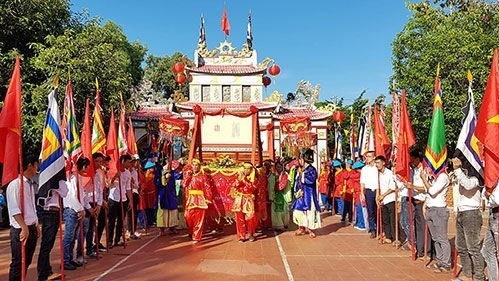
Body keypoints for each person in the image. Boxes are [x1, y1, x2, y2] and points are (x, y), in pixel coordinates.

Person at [450, 157, 485, 281]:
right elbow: (457, 191)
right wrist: (456, 209)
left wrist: (458, 170)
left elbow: (468, 185)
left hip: (472, 213)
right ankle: (467, 274)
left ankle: (479, 276)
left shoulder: (477, 177)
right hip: (462, 212)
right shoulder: (461, 175)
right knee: (461, 246)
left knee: (473, 247)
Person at [7, 155, 40, 281]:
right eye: (36, 164)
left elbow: (32, 206)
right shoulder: (15, 185)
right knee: (18, 262)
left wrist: (36, 224)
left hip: (30, 227)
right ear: (29, 165)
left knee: (26, 261)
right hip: (20, 229)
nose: (37, 167)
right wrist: (24, 227)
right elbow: (14, 208)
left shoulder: (29, 185)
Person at [63, 157, 93, 270]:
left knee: (74, 237)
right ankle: (65, 260)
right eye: (87, 166)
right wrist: (81, 209)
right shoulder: (72, 178)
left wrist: (87, 207)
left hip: (77, 210)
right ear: (83, 166)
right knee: (69, 237)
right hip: (71, 210)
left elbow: (83, 195)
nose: (88, 168)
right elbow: (72, 196)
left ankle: (70, 258)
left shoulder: (79, 178)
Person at [421, 166, 451, 273]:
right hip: (431, 208)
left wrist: (423, 178)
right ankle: (439, 260)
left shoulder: (443, 176)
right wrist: (425, 204)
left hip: (439, 210)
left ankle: (446, 263)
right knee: (435, 238)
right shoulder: (434, 178)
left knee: (442, 238)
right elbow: (427, 192)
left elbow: (432, 191)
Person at [37, 177, 68, 281]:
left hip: (52, 212)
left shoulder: (49, 178)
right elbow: (64, 192)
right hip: (50, 212)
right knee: (46, 244)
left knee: (48, 244)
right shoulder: (53, 178)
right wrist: (60, 183)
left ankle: (47, 270)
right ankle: (43, 274)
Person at [405, 149, 431, 259]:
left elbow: (427, 188)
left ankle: (426, 251)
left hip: (423, 202)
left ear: (417, 159)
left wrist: (413, 187)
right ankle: (419, 249)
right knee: (416, 227)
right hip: (414, 201)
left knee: (424, 228)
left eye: (412, 159)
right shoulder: (413, 170)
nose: (410, 161)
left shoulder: (424, 170)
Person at [291, 149, 321, 238]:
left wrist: (302, 174)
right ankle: (301, 227)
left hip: (309, 194)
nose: (299, 161)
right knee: (298, 211)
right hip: (301, 195)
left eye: (300, 159)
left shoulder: (311, 169)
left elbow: (311, 181)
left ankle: (310, 229)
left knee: (310, 212)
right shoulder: (300, 169)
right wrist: (297, 191)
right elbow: (297, 182)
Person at [182, 159, 213, 244]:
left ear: (199, 167)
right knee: (188, 217)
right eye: (193, 165)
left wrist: (208, 199)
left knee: (199, 219)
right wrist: (188, 176)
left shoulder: (203, 176)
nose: (195, 167)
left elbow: (207, 188)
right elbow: (184, 185)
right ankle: (191, 231)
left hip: (200, 199)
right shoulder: (189, 176)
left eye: (196, 165)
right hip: (190, 199)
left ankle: (196, 236)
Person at [107, 154, 133, 248]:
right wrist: (114, 177)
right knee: (112, 221)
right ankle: (109, 240)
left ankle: (117, 240)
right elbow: (108, 186)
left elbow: (128, 188)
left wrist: (130, 201)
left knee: (121, 221)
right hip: (113, 199)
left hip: (123, 199)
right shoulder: (113, 171)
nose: (130, 164)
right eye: (128, 162)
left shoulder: (127, 173)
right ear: (123, 161)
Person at [232, 162, 258, 242]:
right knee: (240, 218)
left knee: (250, 218)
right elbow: (234, 186)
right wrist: (240, 179)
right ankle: (241, 236)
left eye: (248, 169)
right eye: (245, 168)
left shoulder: (254, 179)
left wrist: (244, 180)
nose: (246, 170)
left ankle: (251, 234)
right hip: (239, 199)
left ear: (251, 170)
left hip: (248, 199)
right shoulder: (239, 177)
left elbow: (252, 188)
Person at [84, 152, 105, 258]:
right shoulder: (87, 175)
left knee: (92, 228)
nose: (99, 163)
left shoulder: (98, 174)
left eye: (101, 161)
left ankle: (89, 249)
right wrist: (89, 207)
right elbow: (84, 192)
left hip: (96, 203)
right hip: (87, 204)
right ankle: (81, 252)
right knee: (85, 228)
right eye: (97, 161)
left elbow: (100, 190)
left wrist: (99, 204)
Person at [374, 155, 396, 244]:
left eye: (378, 163)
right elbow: (377, 187)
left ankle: (395, 238)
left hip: (390, 199)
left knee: (392, 220)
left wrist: (383, 195)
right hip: (382, 200)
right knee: (385, 219)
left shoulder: (389, 173)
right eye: (376, 163)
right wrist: (377, 197)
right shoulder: (378, 174)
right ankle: (388, 236)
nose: (377, 165)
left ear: (383, 163)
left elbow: (392, 187)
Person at [156, 161, 179, 236]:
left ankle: (172, 227)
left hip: (171, 193)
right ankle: (161, 229)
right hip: (163, 193)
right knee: (162, 211)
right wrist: (164, 177)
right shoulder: (159, 171)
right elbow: (157, 182)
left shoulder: (172, 172)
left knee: (173, 210)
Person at [482, 183, 499, 281]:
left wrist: (489, 195)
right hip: (493, 214)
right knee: (487, 250)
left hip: (497, 214)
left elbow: (496, 199)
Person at [360, 151, 379, 238]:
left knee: (378, 210)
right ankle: (373, 229)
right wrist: (362, 193)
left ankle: (379, 228)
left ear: (374, 157)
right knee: (370, 211)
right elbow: (362, 182)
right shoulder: (364, 169)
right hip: (368, 191)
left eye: (369, 156)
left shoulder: (377, 168)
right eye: (366, 156)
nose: (367, 158)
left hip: (378, 191)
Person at [271, 161, 291, 231]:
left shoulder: (285, 175)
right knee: (276, 211)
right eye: (277, 167)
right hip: (275, 195)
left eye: (279, 167)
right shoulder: (273, 176)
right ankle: (278, 225)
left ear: (282, 167)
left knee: (284, 210)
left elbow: (284, 186)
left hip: (283, 195)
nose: (278, 168)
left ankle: (284, 223)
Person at [351, 161, 366, 231]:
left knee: (361, 209)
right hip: (357, 194)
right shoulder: (359, 175)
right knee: (357, 209)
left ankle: (362, 224)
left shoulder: (359, 175)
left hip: (360, 194)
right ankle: (358, 222)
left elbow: (352, 176)